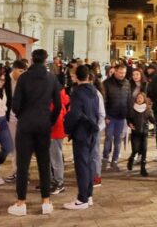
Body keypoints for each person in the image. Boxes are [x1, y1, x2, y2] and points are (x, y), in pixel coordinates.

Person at [8, 49, 62, 217]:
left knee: (23, 164)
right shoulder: (52, 78)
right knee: (44, 163)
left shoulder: (24, 78)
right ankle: (46, 201)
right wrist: (49, 120)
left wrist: (22, 115)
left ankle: (21, 202)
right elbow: (58, 106)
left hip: (26, 123)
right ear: (46, 60)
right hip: (43, 123)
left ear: (31, 60)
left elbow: (15, 104)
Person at [63, 65, 102, 210]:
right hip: (92, 130)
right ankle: (89, 195)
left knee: (81, 165)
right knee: (89, 163)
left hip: (82, 132)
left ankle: (82, 199)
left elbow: (75, 114)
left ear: (77, 77)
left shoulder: (77, 92)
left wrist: (67, 128)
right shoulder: (94, 91)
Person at [102, 63, 131, 171]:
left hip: (121, 116)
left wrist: (129, 116)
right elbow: (104, 101)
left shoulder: (127, 83)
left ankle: (114, 161)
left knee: (118, 140)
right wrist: (105, 115)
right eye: (120, 72)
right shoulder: (107, 83)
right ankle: (105, 159)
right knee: (109, 138)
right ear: (115, 71)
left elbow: (129, 100)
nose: (122, 75)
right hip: (110, 116)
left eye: (124, 73)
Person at [3, 59, 27, 183]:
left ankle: (22, 173)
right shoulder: (4, 80)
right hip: (9, 118)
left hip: (23, 117)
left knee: (23, 146)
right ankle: (16, 171)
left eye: (24, 71)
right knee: (14, 146)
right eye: (20, 71)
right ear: (14, 69)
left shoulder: (25, 81)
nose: (22, 73)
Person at [49, 82, 70, 195]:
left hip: (55, 132)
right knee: (54, 158)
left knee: (56, 159)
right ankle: (54, 181)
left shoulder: (55, 99)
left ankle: (59, 183)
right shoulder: (59, 98)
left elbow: (57, 116)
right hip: (54, 131)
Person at [127, 91, 153, 176]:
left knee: (144, 150)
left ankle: (143, 168)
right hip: (135, 133)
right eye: (138, 98)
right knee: (135, 149)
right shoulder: (132, 109)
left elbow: (151, 118)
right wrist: (129, 123)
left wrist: (155, 122)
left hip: (144, 133)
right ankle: (131, 159)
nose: (139, 99)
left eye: (141, 98)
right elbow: (129, 118)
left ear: (144, 99)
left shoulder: (147, 109)